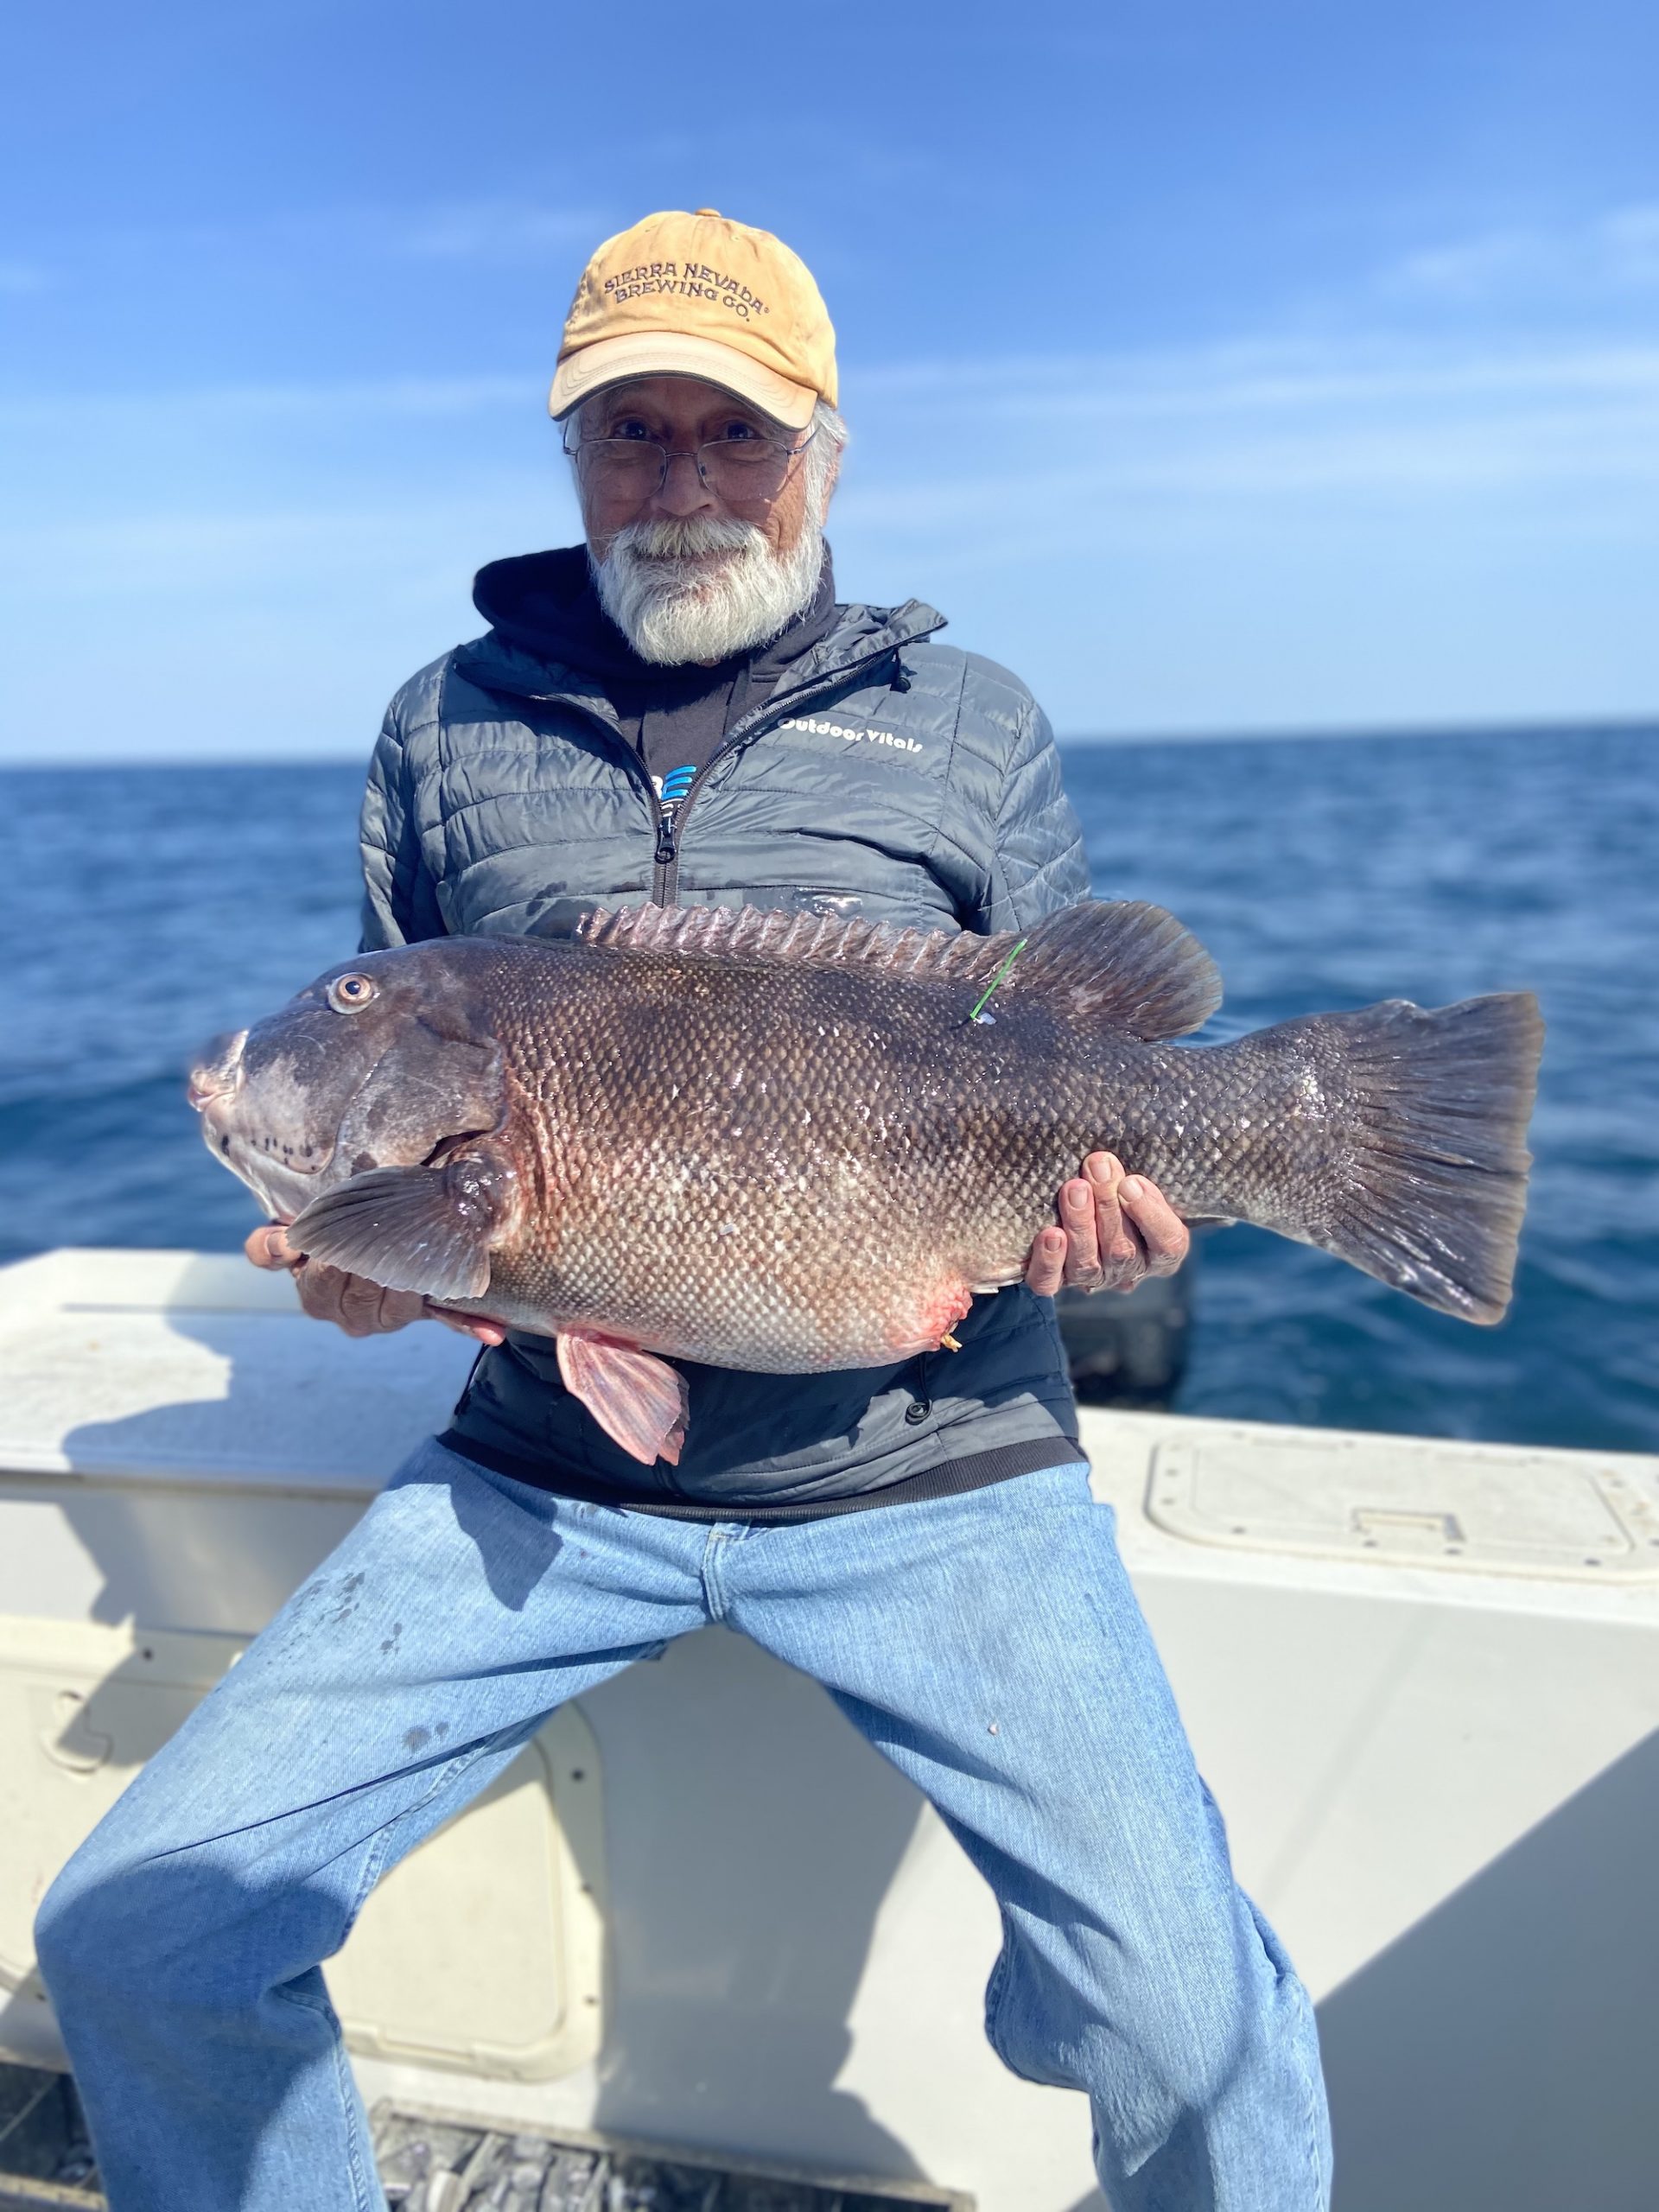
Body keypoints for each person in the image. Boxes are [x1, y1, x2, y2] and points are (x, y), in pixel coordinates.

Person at [35, 210, 1332, 2211]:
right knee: (139, 1923)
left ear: (822, 448)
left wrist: (1120, 1216)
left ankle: (1072, 2001)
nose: (681, 482)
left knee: (1187, 2015)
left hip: (934, 1466)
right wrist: (391, 1270)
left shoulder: (973, 722)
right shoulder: (439, 722)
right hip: (551, 1477)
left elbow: (1088, 1033)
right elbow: (390, 1042)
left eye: (732, 432)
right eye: (630, 434)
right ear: (567, 455)